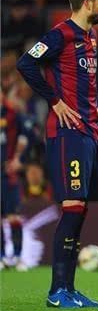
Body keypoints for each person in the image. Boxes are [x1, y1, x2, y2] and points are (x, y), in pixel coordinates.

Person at [16, 0, 98, 308]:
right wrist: (54, 101)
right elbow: (26, 63)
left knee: (80, 210)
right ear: (87, 3)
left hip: (88, 132)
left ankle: (69, 289)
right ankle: (57, 291)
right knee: (71, 209)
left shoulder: (92, 37)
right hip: (67, 133)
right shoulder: (60, 35)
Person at [0, 88, 33, 271]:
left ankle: (19, 257)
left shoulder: (13, 115)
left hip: (8, 174)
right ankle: (2, 257)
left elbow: (29, 135)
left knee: (13, 217)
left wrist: (20, 160)